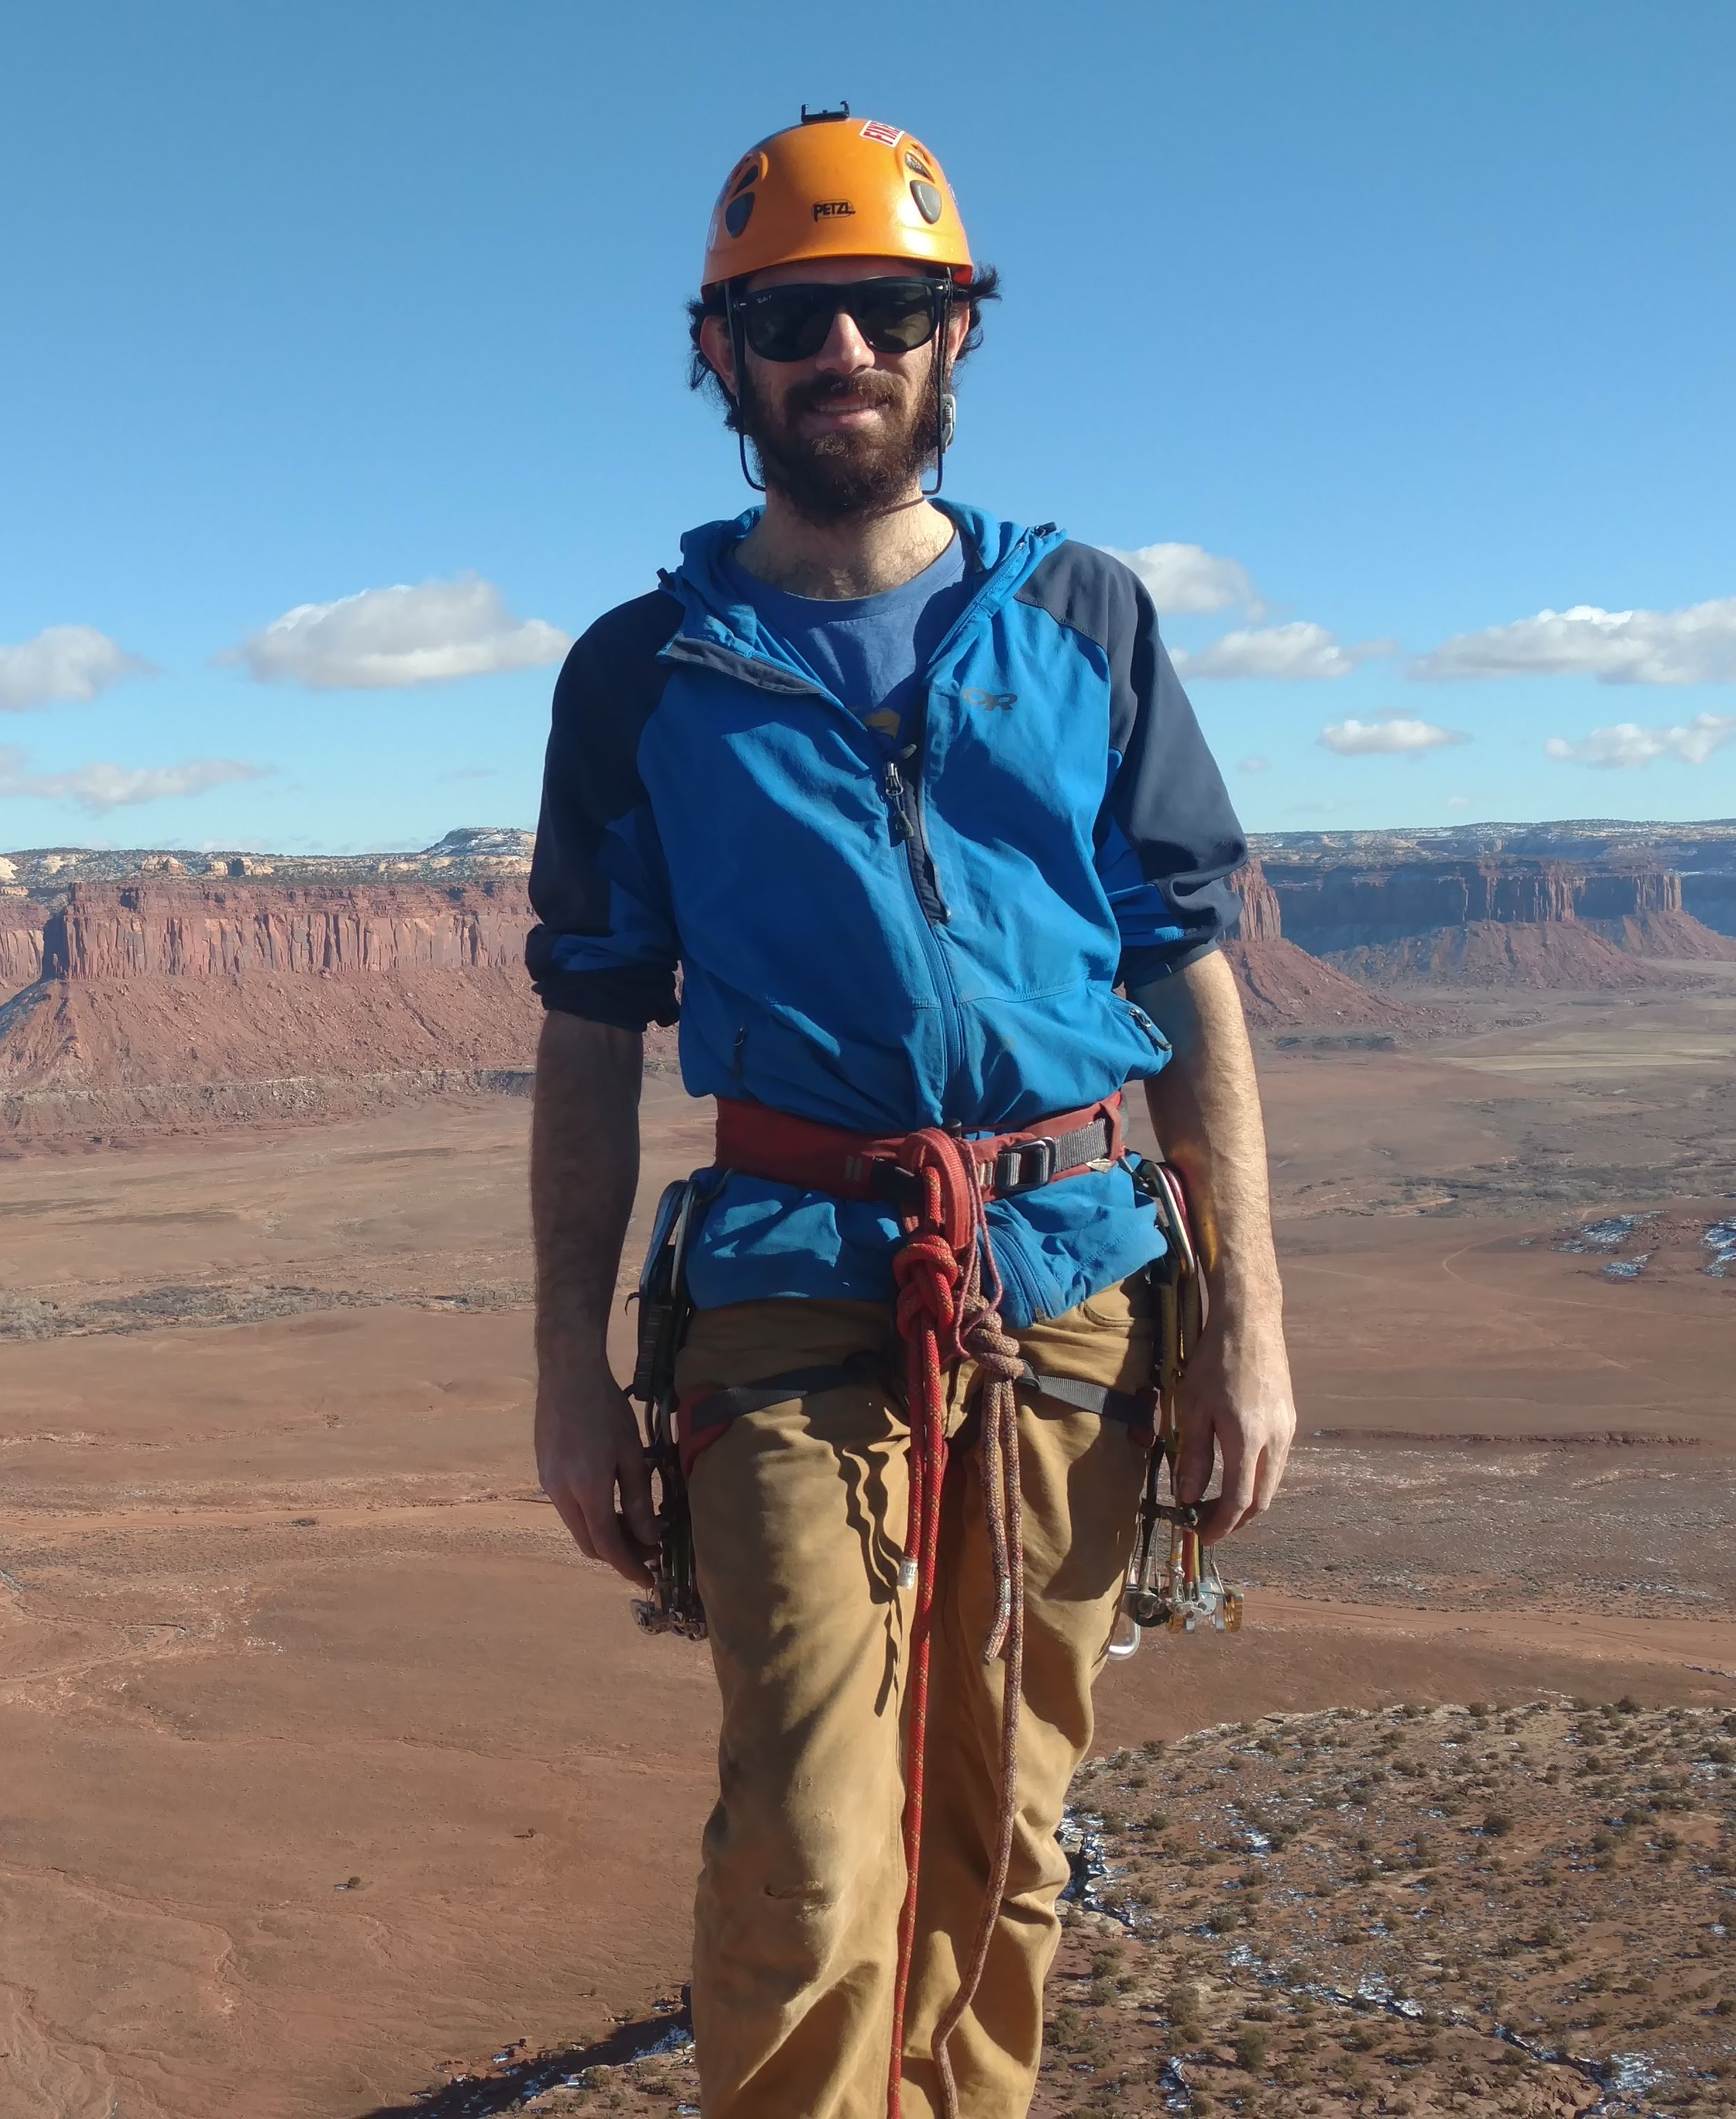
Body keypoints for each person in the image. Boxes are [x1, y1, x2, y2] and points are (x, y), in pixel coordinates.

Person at [522, 109, 1301, 2119]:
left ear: (957, 334)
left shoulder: (1088, 622)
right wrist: (565, 1373)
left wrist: (1250, 1335)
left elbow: (1185, 975)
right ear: (723, 357)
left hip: (1082, 1279)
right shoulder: (643, 678)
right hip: (791, 1286)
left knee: (1003, 1830)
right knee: (807, 1838)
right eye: (794, 317)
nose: (841, 352)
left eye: (886, 308)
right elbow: (593, 1035)